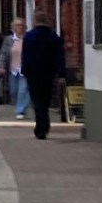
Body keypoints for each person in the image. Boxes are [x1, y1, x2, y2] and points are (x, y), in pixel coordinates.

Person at [21, 9, 65, 139]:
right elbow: (60, 56)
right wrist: (61, 73)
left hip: (34, 74)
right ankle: (44, 125)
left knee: (37, 101)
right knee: (46, 100)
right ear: (46, 20)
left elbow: (26, 56)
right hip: (49, 73)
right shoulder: (53, 36)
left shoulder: (29, 36)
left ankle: (41, 127)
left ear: (35, 20)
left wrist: (25, 71)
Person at [0, 18, 30, 118]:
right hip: (13, 69)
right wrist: (2, 65)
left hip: (24, 69)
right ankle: (19, 106)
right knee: (13, 91)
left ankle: (21, 110)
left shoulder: (28, 38)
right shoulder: (9, 40)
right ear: (13, 27)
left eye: (21, 25)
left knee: (22, 90)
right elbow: (3, 53)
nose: (19, 27)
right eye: (17, 25)